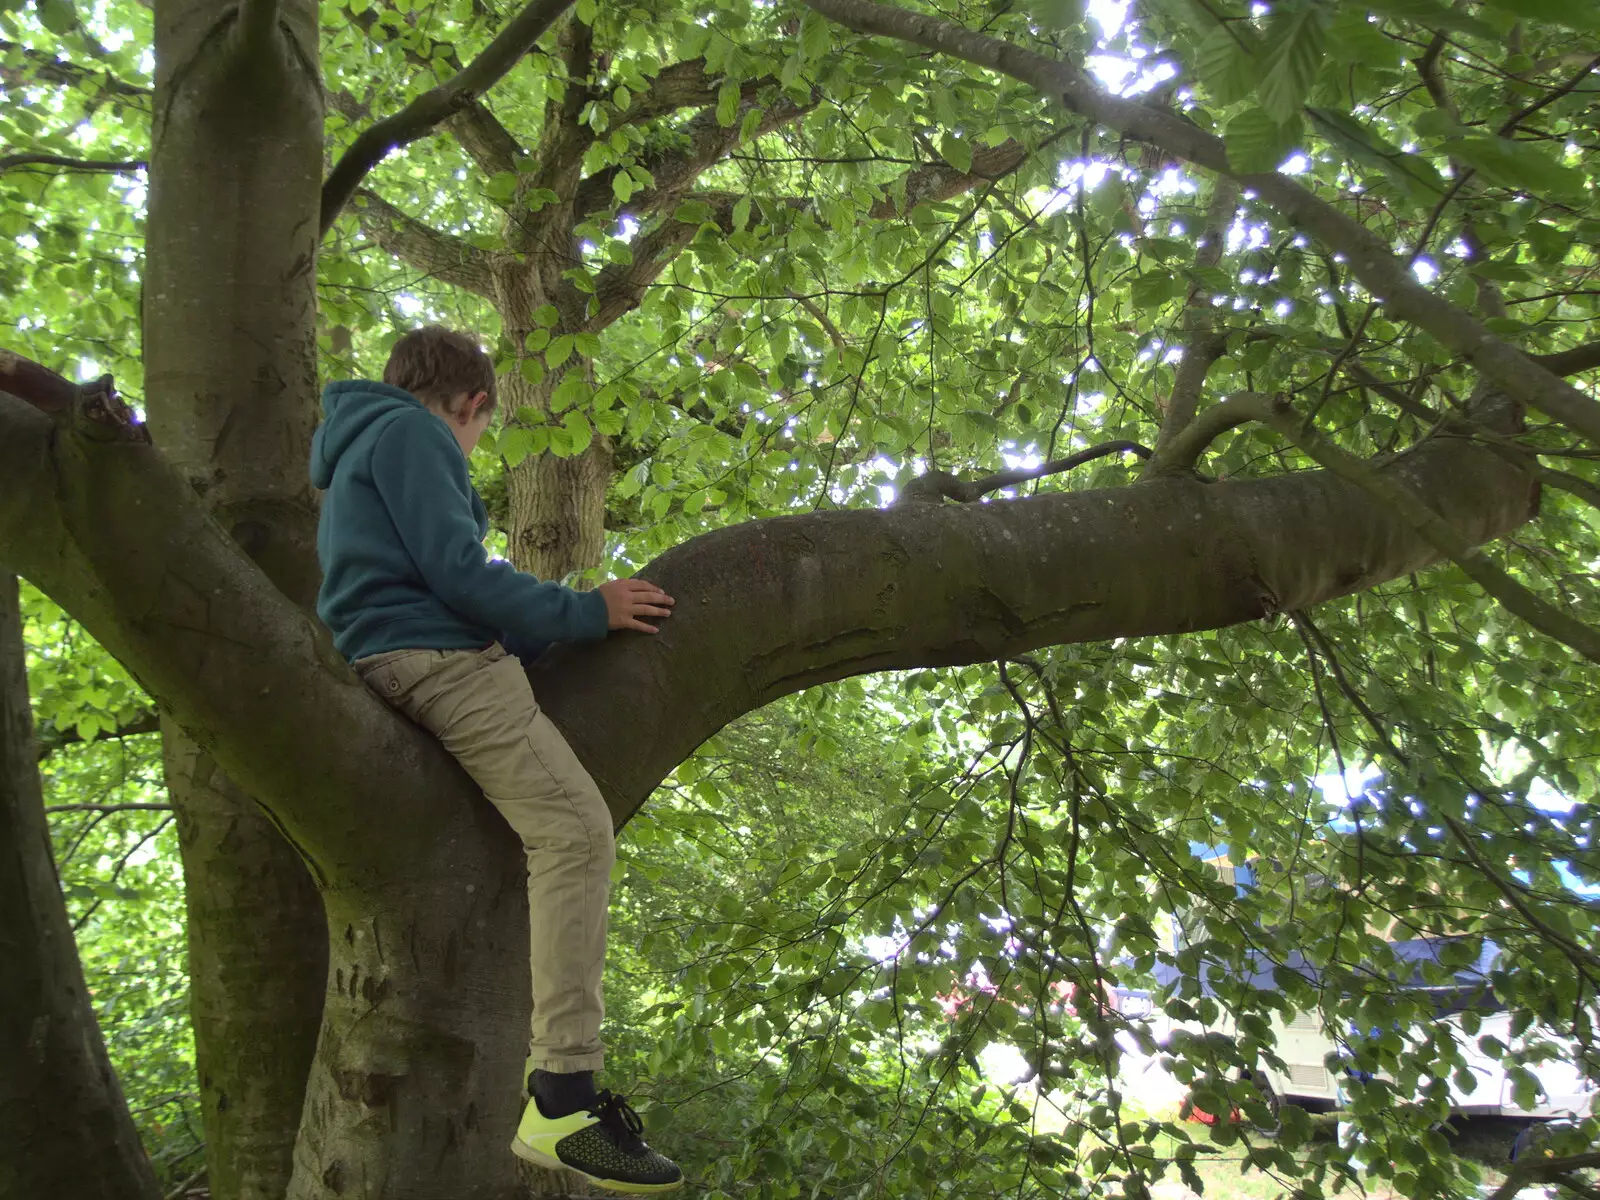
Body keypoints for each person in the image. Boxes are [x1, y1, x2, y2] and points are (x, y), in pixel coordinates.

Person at [310, 325, 683, 1194]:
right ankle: (564, 1095)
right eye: (479, 433)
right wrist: (586, 610)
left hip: (392, 654)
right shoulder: (415, 433)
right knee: (576, 833)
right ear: (473, 405)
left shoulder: (358, 447)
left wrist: (535, 636)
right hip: (436, 661)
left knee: (551, 824)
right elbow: (455, 571)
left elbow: (423, 575)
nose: (472, 447)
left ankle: (562, 1091)